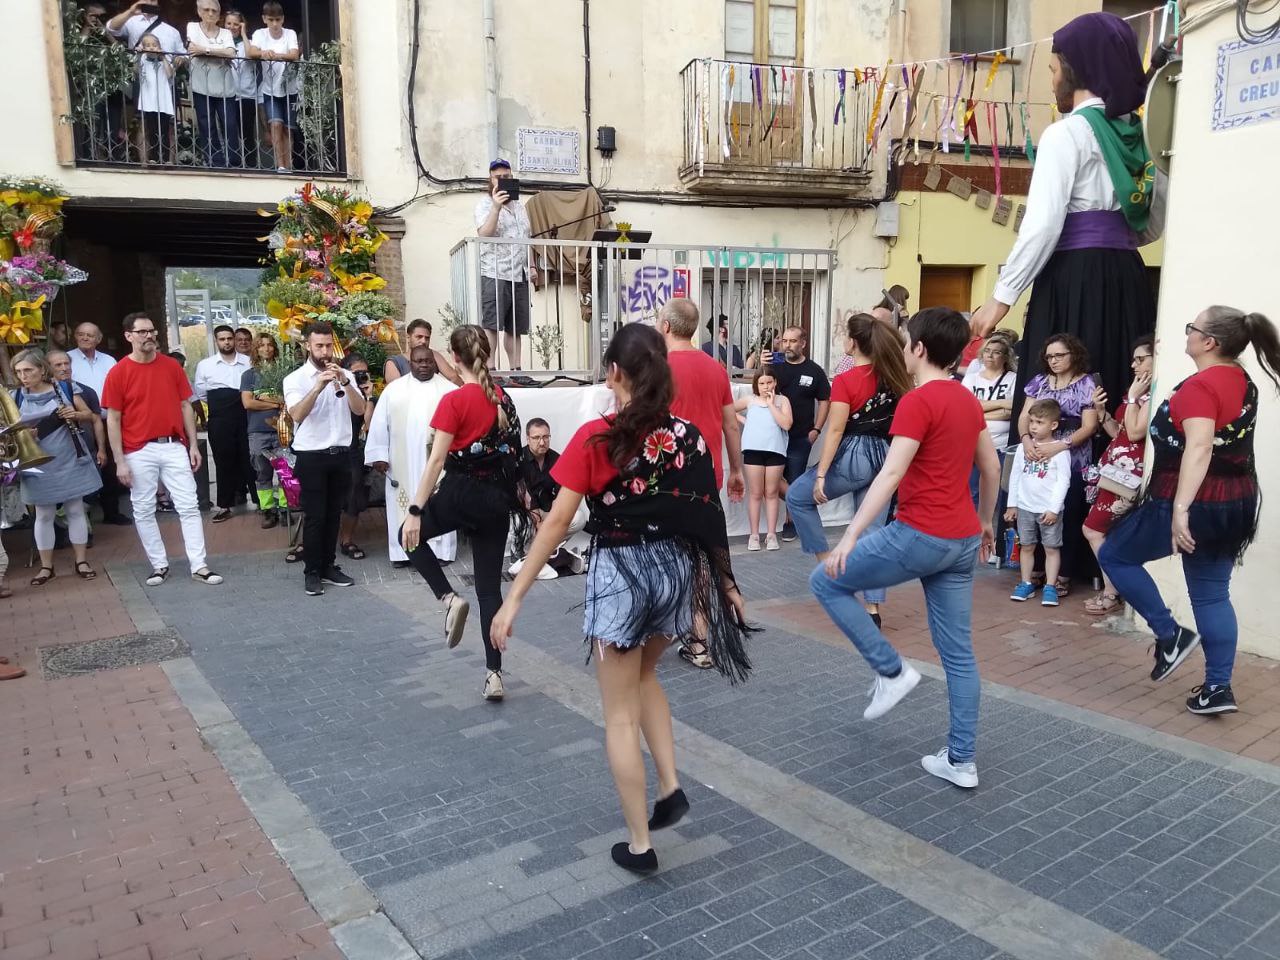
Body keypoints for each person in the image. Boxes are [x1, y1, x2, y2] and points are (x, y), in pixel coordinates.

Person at [489, 322, 751, 873]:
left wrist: (513, 598)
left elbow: (557, 522)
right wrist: (727, 584)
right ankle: (671, 786)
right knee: (645, 677)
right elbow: (709, 517)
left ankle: (639, 844)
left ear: (614, 372)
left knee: (617, 717)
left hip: (621, 578)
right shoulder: (689, 436)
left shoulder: (596, 437)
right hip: (674, 573)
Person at [809, 307, 999, 789]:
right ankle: (961, 760)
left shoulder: (918, 401)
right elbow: (991, 468)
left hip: (920, 533)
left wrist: (850, 536)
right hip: (959, 540)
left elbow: (891, 472)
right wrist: (984, 521)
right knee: (959, 655)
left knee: (824, 581)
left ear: (918, 349)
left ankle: (890, 671)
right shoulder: (966, 399)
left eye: (907, 339)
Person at [970, 12, 1161, 431]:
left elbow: (1043, 225)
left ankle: (1058, 490)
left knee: (1059, 396)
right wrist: (1112, 238)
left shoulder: (1066, 133)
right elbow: (1152, 222)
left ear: (1076, 71)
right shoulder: (1140, 134)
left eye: (1054, 69)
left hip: (1072, 277)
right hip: (1128, 277)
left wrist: (1002, 297)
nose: (1052, 79)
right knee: (1120, 380)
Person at [1101, 309, 1279, 716]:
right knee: (1212, 594)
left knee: (1114, 554)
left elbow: (1199, 447)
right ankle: (1217, 688)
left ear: (1209, 342)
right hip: (1233, 501)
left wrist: (1180, 509)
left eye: (1191, 329)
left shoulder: (1202, 386)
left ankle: (1170, 636)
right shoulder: (1240, 379)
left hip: (1189, 501)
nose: (1188, 335)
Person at [400, 325, 528, 701]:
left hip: (460, 492)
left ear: (454, 359)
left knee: (406, 538)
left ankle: (448, 598)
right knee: (490, 590)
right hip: (495, 500)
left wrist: (415, 510)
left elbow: (437, 460)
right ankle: (494, 676)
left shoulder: (454, 401)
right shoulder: (502, 399)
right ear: (485, 355)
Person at [786, 313, 913, 626]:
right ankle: (872, 611)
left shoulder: (846, 380)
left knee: (797, 497)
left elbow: (836, 431)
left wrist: (819, 475)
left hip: (855, 455)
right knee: (872, 532)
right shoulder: (895, 375)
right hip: (888, 457)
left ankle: (828, 567)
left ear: (854, 343)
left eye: (845, 334)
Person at [101, 313, 223, 586]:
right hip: (137, 449)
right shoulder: (118, 372)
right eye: (142, 332)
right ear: (128, 336)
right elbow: (114, 418)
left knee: (189, 506)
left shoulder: (171, 366)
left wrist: (193, 444)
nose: (149, 336)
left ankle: (199, 565)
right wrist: (119, 460)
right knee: (143, 509)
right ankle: (159, 565)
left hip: (172, 445)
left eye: (152, 331)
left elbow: (185, 406)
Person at [656, 299, 745, 669]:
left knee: (658, 555)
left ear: (665, 327)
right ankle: (699, 641)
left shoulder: (657, 369)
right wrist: (737, 469)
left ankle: (652, 636)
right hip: (707, 475)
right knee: (701, 561)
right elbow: (730, 425)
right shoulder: (716, 369)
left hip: (664, 476)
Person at [283, 321, 366, 596]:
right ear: (308, 345)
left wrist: (345, 382)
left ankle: (329, 566)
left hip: (341, 453)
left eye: (329, 345)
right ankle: (312, 572)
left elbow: (360, 408)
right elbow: (296, 415)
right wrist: (318, 387)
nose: (325, 351)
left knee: (334, 514)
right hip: (312, 456)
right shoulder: (295, 379)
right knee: (316, 516)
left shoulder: (344, 374)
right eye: (319, 345)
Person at [10, 349, 103, 586]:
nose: (23, 376)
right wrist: (22, 435)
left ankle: (81, 561)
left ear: (42, 369)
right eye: (19, 371)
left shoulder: (65, 388)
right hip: (37, 463)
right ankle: (46, 566)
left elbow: (90, 415)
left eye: (28, 370)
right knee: (44, 515)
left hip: (68, 456)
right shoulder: (15, 397)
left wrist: (74, 413)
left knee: (75, 510)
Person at [1016, 334, 1100, 596]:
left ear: (1073, 354)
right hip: (1037, 453)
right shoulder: (1039, 383)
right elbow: (1023, 416)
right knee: (1034, 511)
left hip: (1072, 457)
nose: (1053, 360)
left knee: (1069, 515)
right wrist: (1026, 440)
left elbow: (1090, 425)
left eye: (1059, 355)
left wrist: (1060, 446)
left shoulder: (1086, 384)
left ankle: (1063, 574)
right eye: (1049, 356)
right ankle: (1037, 570)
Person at [364, 344, 459, 568]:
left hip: (439, 462)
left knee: (440, 501)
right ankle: (402, 552)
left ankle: (441, 550)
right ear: (410, 363)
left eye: (428, 361)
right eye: (419, 361)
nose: (424, 365)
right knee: (401, 503)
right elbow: (379, 424)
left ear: (435, 363)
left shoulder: (449, 390)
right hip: (401, 461)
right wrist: (379, 454)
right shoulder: (394, 390)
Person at [1081, 336, 1153, 615]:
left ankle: (1112, 591)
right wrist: (1101, 413)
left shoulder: (1149, 393)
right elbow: (1120, 432)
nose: (1134, 364)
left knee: (1093, 529)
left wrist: (1134, 397)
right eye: (1134, 359)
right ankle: (1116, 589)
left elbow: (1136, 433)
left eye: (1141, 359)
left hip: (1129, 478)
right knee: (1109, 532)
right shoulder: (1137, 392)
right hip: (1116, 474)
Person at [1005, 399, 1072, 606]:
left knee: (1051, 547)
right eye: (1031, 421)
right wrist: (1012, 504)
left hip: (1048, 510)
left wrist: (1053, 509)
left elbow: (1064, 481)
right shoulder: (1022, 449)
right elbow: (1015, 475)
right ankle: (1026, 583)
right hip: (1025, 506)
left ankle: (1050, 586)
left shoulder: (1060, 450)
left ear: (1053, 425)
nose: (1033, 426)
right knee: (1026, 546)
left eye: (1039, 422)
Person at [475, 159, 538, 369]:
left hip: (518, 274)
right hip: (495, 271)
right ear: (490, 179)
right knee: (492, 325)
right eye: (498, 177)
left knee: (516, 327)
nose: (503, 180)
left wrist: (532, 266)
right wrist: (496, 207)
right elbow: (485, 234)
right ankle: (491, 369)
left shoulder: (520, 206)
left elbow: (525, 238)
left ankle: (516, 369)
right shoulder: (484, 204)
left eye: (507, 177)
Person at [773, 326, 830, 542]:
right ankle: (802, 507)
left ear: (803, 343)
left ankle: (791, 522)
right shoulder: (776, 365)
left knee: (795, 479)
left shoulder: (814, 370)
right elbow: (760, 382)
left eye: (792, 341)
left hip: (801, 436)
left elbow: (825, 400)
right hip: (774, 434)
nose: (787, 345)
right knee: (772, 478)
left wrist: (817, 428)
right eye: (784, 341)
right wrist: (761, 361)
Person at [512, 418, 588, 578]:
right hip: (526, 510)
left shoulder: (557, 459)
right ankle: (527, 552)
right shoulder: (519, 460)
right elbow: (522, 494)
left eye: (546, 437)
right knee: (520, 523)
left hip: (549, 510)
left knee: (578, 518)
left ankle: (547, 550)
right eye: (536, 437)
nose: (542, 442)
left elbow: (562, 494)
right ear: (527, 438)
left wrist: (552, 520)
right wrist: (538, 521)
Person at [69, 323, 129, 525]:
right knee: (85, 465)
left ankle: (111, 512)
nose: (85, 338)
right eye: (81, 334)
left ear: (98, 339)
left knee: (111, 465)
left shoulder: (109, 360)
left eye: (90, 335)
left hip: (108, 419)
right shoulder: (68, 360)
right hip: (82, 422)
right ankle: (82, 518)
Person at [194, 324, 254, 522]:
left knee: (250, 458)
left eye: (230, 338)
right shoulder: (206, 365)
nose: (227, 342)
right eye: (222, 339)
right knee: (223, 461)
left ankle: (261, 502)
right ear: (216, 341)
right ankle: (224, 505)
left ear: (234, 340)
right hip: (220, 418)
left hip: (245, 415)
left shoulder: (249, 362)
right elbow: (202, 393)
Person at [733, 366, 791, 551]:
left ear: (775, 382)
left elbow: (786, 424)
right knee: (756, 493)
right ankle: (754, 535)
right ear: (756, 384)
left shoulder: (783, 401)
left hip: (775, 450)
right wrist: (744, 421)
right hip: (753, 450)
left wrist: (772, 404)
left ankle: (772, 534)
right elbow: (726, 410)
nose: (766, 386)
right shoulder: (750, 400)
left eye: (769, 382)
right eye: (762, 383)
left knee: (772, 493)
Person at [240, 333, 289, 528]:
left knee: (285, 471)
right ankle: (268, 510)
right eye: (261, 345)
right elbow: (247, 402)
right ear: (256, 349)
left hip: (281, 428)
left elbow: (288, 400)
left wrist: (264, 401)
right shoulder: (249, 375)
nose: (266, 349)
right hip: (258, 431)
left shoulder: (284, 373)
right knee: (262, 473)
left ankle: (286, 509)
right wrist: (275, 403)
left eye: (270, 345)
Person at [249, 1, 301, 174]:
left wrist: (275, 55)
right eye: (271, 20)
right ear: (264, 19)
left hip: (290, 88)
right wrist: (264, 53)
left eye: (278, 20)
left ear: (283, 19)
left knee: (288, 128)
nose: (275, 24)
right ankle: (280, 166)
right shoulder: (259, 34)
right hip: (270, 89)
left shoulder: (290, 33)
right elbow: (251, 52)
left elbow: (294, 54)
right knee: (276, 125)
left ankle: (289, 165)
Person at [186, 0, 238, 169]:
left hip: (225, 87)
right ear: (199, 11)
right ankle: (215, 162)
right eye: (207, 10)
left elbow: (230, 53)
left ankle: (233, 161)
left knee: (229, 124)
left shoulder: (225, 33)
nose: (210, 14)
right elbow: (193, 50)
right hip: (201, 86)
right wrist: (218, 53)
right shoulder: (192, 27)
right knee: (206, 125)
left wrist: (206, 50)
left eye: (214, 11)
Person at [337, 354, 375, 560]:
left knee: (354, 492)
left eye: (363, 372)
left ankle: (347, 540)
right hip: (332, 447)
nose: (360, 376)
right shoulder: (336, 389)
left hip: (353, 448)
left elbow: (367, 425)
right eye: (356, 373)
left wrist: (368, 397)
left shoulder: (365, 395)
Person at [48, 350, 108, 467]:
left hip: (89, 450)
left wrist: (101, 449)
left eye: (66, 363)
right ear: (48, 368)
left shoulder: (87, 391)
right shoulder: (45, 393)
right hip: (59, 456)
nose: (64, 368)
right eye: (58, 365)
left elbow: (96, 421)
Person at [226, 9, 262, 169]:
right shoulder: (220, 41)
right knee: (230, 130)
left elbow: (250, 54)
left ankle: (250, 164)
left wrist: (244, 33)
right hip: (226, 93)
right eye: (228, 23)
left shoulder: (250, 42)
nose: (232, 27)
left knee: (246, 132)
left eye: (236, 24)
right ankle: (233, 162)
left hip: (247, 94)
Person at [135, 32, 176, 165]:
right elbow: (135, 71)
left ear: (159, 46)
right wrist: (139, 54)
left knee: (164, 130)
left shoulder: (166, 60)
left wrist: (163, 57)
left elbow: (170, 74)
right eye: (147, 45)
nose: (151, 47)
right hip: (149, 101)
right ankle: (153, 157)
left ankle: (165, 158)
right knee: (151, 129)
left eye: (154, 45)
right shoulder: (142, 60)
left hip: (163, 101)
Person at [383, 319, 460, 386]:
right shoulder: (394, 362)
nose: (423, 341)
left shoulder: (434, 356)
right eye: (419, 337)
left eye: (427, 338)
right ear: (408, 337)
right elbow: (395, 392)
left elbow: (455, 379)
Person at [106, 1, 184, 54]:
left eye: (152, 0)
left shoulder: (172, 31)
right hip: (138, 73)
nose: (148, 2)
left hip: (164, 76)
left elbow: (185, 55)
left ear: (159, 3)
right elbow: (111, 28)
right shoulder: (132, 21)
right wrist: (130, 12)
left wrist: (182, 59)